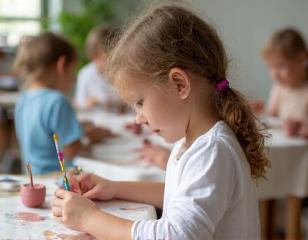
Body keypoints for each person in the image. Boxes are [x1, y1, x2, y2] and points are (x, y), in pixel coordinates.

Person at [52, 4, 269, 239]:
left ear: (179, 84)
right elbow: (177, 196)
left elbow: (175, 235)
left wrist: (89, 219)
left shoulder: (212, 151)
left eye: (140, 101)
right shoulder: (192, 142)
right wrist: (113, 187)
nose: (138, 117)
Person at [13, 32, 110, 175]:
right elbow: (71, 150)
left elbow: (44, 135)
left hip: (34, 177)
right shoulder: (57, 101)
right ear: (62, 65)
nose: (73, 79)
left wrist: (78, 128)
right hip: (58, 177)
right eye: (73, 70)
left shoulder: (24, 98)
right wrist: (89, 136)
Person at [74, 25, 126, 112]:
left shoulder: (123, 72)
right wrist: (91, 102)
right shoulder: (85, 74)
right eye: (105, 58)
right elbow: (79, 104)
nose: (110, 62)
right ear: (94, 56)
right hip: (97, 120)